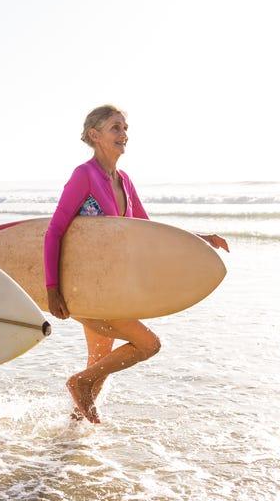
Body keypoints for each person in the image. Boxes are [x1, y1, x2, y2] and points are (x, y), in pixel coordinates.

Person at [44, 105, 229, 424]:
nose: (124, 134)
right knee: (147, 344)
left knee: (99, 360)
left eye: (125, 128)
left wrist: (199, 238)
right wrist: (52, 289)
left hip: (115, 288)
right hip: (92, 288)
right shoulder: (83, 175)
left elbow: (148, 229)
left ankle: (71, 435)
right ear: (94, 135)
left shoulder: (124, 180)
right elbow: (55, 231)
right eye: (116, 127)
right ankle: (78, 384)